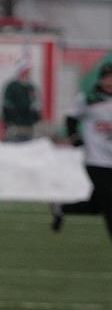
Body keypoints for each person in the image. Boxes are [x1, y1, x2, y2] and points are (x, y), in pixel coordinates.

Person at [50, 62, 112, 240]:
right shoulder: (89, 98)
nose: (109, 82)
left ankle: (61, 208)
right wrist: (75, 137)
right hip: (96, 160)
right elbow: (71, 117)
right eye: (106, 77)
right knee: (109, 201)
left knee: (95, 206)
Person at [2, 61, 40, 142]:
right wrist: (9, 120)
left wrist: (35, 117)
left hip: (28, 125)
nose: (26, 74)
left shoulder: (31, 87)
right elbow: (7, 105)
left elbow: (35, 105)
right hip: (15, 125)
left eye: (27, 72)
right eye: (24, 71)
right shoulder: (12, 86)